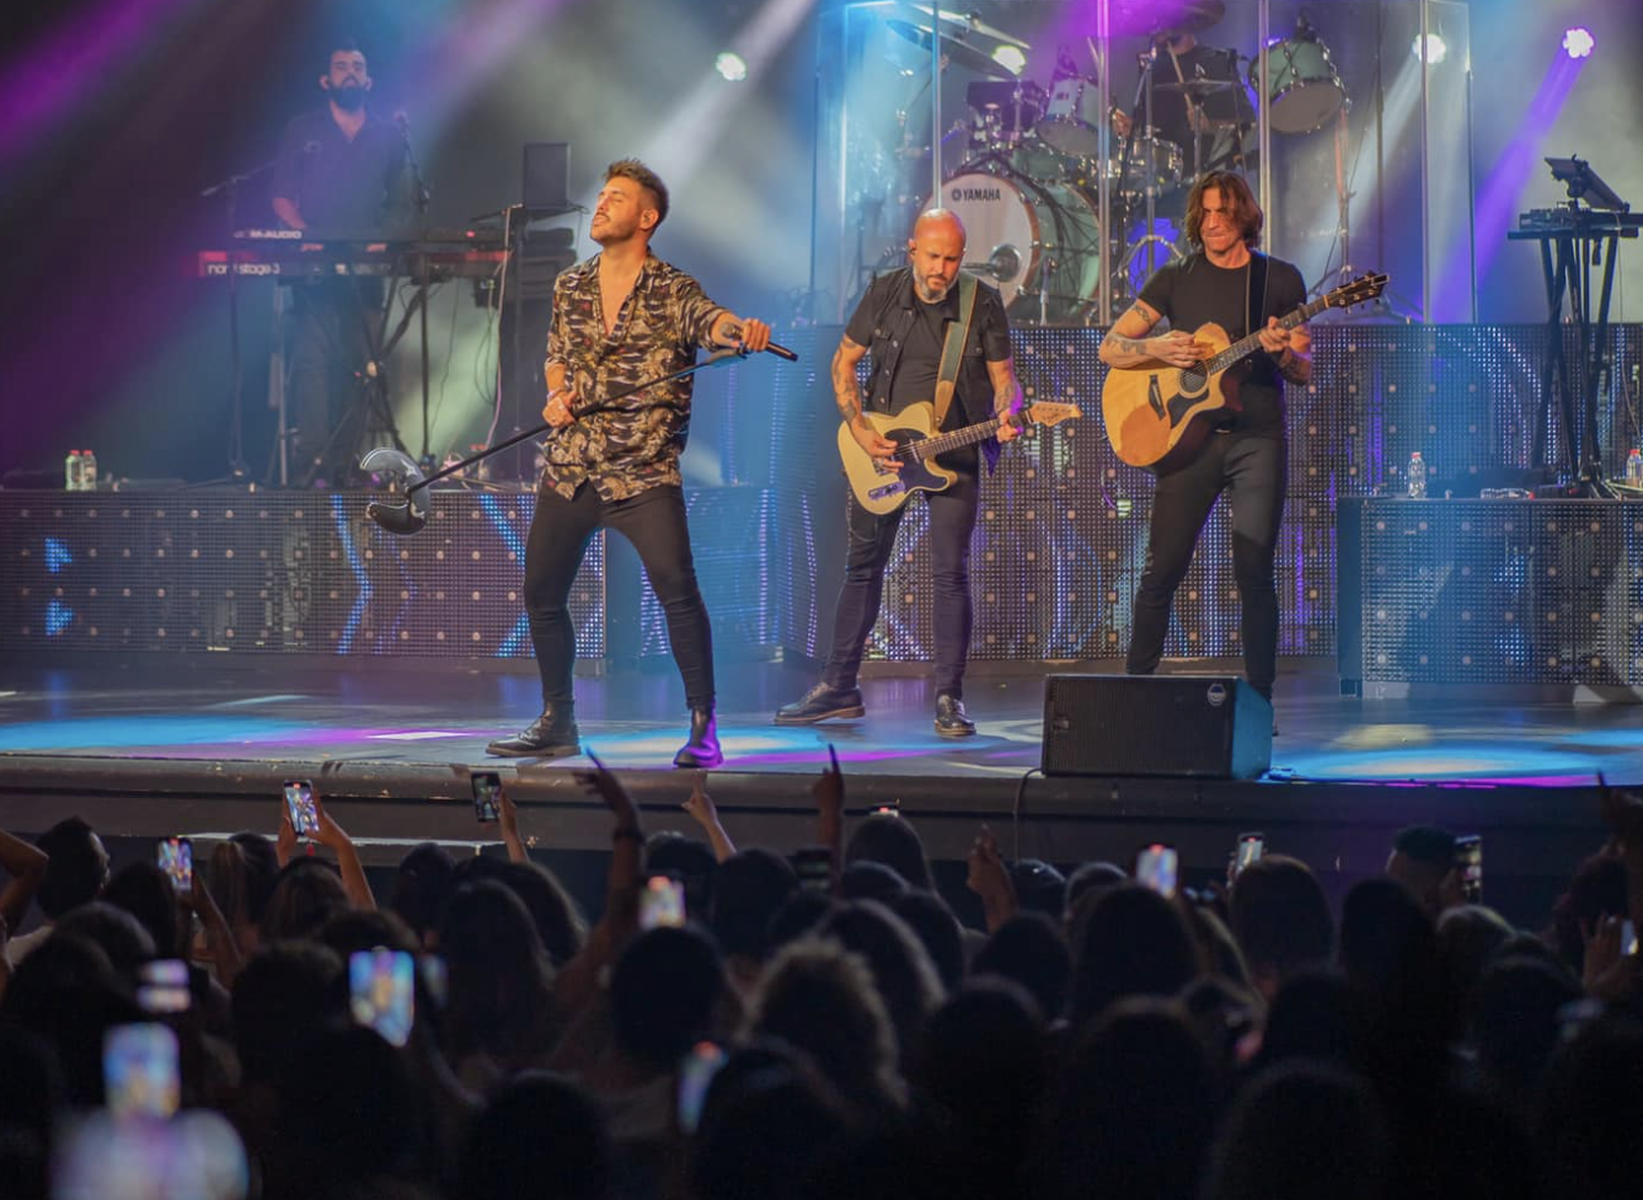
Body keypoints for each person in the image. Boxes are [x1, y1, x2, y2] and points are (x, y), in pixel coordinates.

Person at [487, 159, 773, 768]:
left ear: (647, 218)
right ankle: (558, 719)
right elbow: (557, 355)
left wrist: (739, 331)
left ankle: (703, 725)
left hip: (642, 471)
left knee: (677, 592)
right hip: (573, 467)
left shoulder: (672, 288)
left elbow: (712, 321)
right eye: (601, 195)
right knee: (541, 593)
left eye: (616, 197)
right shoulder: (570, 285)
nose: (601, 204)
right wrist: (556, 395)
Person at [775, 209, 1022, 738]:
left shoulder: (981, 301)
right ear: (912, 249)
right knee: (862, 568)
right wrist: (861, 429)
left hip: (952, 451)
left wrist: (1009, 412)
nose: (940, 269)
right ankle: (839, 687)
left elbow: (1005, 380)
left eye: (951, 259)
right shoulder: (884, 292)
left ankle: (949, 697)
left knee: (950, 572)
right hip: (884, 450)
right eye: (932, 257)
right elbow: (843, 362)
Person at [1098, 171, 1310, 713]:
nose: (1213, 223)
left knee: (1254, 572)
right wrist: (1160, 350)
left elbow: (1304, 370)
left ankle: (1260, 704)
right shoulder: (1175, 277)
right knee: (1161, 570)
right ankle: (1135, 696)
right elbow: (1110, 347)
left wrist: (1282, 353)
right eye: (1206, 213)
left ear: (1245, 217)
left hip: (1256, 440)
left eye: (1224, 213)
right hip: (1188, 443)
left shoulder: (1279, 280)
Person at [271, 38, 414, 485]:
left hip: (366, 268)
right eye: (341, 66)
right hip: (314, 268)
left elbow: (404, 200)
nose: (350, 72)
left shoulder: (389, 134)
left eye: (357, 66)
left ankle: (353, 462)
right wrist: (305, 235)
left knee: (361, 364)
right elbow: (281, 197)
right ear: (325, 79)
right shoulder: (303, 129)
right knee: (312, 363)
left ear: (368, 80)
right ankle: (314, 464)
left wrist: (383, 239)